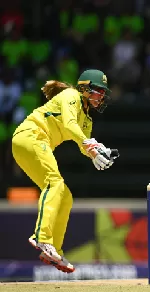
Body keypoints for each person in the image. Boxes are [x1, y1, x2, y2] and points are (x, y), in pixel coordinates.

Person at [11, 69, 119, 273]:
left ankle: (54, 251)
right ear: (85, 88)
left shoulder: (87, 120)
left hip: (34, 144)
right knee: (54, 183)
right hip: (30, 136)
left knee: (65, 196)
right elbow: (70, 125)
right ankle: (41, 237)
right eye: (98, 91)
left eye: (103, 92)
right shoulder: (71, 96)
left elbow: (82, 144)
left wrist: (97, 152)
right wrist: (90, 144)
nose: (101, 96)